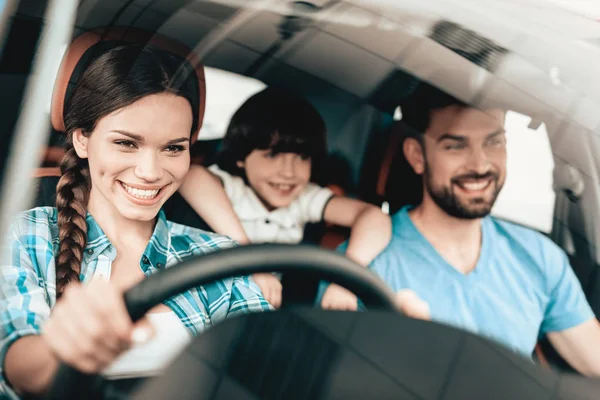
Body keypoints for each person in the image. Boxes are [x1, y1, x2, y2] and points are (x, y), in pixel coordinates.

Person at [0, 43, 270, 399]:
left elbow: (267, 375)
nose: (150, 172)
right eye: (127, 143)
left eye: (173, 148)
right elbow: (20, 366)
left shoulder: (220, 259)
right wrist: (61, 349)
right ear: (82, 139)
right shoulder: (27, 234)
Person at [324, 82, 600, 373]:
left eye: (494, 142)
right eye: (456, 146)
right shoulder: (363, 265)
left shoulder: (539, 256)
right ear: (417, 156)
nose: (480, 165)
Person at [178, 87, 392, 310]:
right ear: (241, 157)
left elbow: (375, 218)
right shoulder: (231, 187)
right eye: (272, 155)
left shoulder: (303, 198)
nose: (288, 172)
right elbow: (193, 177)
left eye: (301, 157)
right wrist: (253, 264)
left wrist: (346, 281)